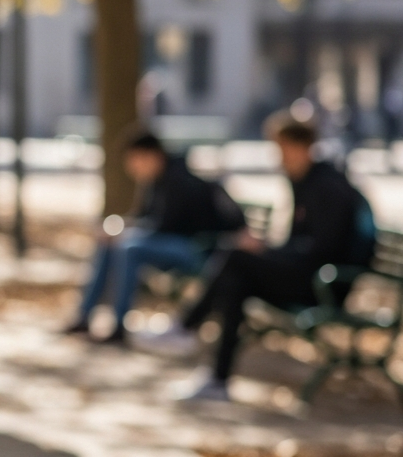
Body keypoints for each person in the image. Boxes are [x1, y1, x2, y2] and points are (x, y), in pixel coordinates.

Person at [141, 117, 367, 402]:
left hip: (323, 286)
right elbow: (303, 244)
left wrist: (268, 252)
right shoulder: (307, 183)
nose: (279, 159)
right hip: (307, 275)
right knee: (237, 280)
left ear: (302, 148)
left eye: (283, 150)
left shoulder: (327, 187)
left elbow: (322, 250)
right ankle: (217, 379)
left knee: (237, 258)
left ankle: (187, 327)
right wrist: (268, 249)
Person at [64, 131, 244, 344]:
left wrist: (126, 233)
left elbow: (165, 225)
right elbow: (144, 217)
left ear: (151, 155)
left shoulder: (178, 179)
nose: (132, 167)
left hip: (194, 249)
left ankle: (119, 326)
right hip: (169, 243)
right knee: (110, 243)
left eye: (134, 160)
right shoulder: (156, 179)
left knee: (128, 247)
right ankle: (84, 316)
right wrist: (119, 227)